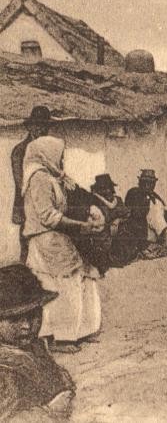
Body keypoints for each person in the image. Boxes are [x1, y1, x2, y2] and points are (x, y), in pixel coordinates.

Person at [21, 136, 102, 353]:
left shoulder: (52, 176)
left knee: (72, 279)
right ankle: (63, 337)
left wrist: (89, 210)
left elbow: (73, 199)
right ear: (48, 155)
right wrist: (81, 226)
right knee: (67, 283)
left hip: (53, 238)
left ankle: (77, 331)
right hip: (46, 240)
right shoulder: (39, 178)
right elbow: (48, 216)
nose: (62, 160)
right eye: (60, 156)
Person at [0, 264, 76, 420]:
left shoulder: (35, 348)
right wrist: (50, 411)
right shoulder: (4, 370)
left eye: (33, 315)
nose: (27, 326)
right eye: (15, 319)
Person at [119, 170, 167, 259]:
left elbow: (164, 208)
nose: (148, 185)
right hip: (145, 230)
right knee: (155, 208)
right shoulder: (134, 192)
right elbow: (137, 213)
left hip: (160, 227)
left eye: (151, 183)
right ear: (140, 182)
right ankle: (164, 239)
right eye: (145, 182)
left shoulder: (153, 194)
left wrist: (165, 213)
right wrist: (150, 203)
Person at [11, 106, 51, 263]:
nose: (42, 130)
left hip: (47, 204)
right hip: (27, 203)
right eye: (38, 125)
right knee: (27, 240)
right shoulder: (20, 150)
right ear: (31, 127)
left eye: (45, 126)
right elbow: (21, 182)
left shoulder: (50, 151)